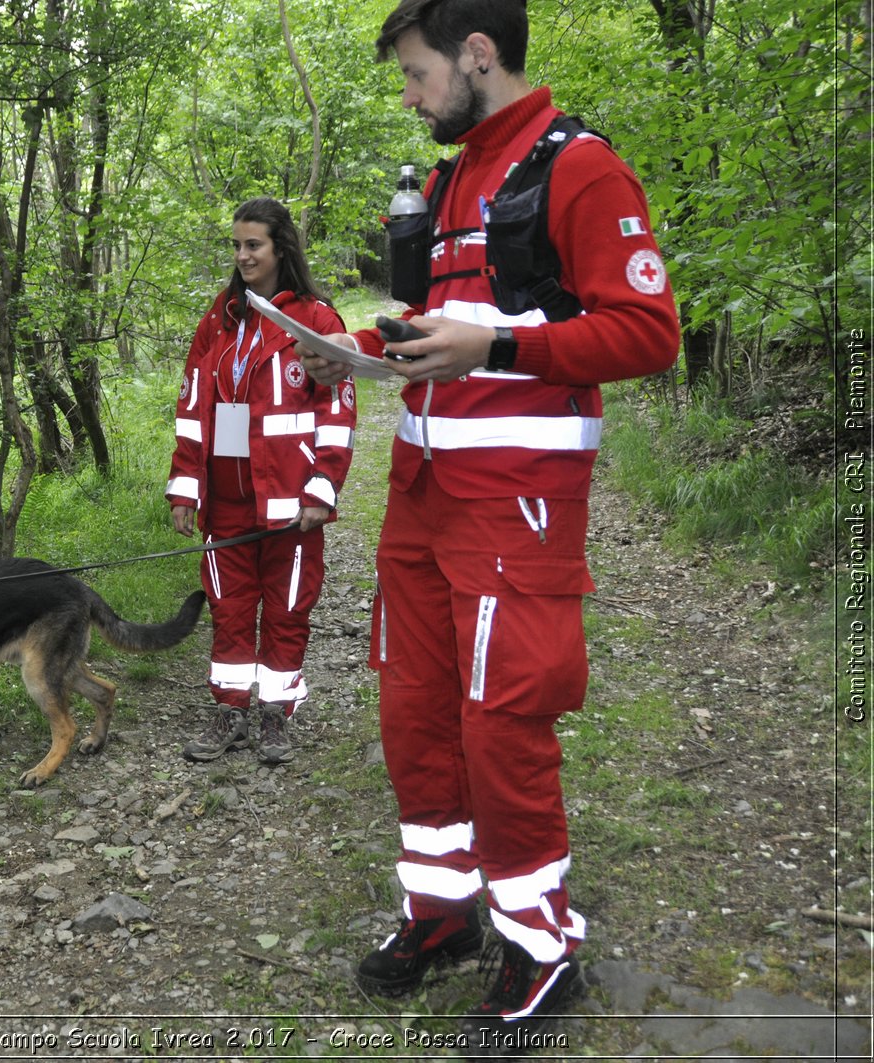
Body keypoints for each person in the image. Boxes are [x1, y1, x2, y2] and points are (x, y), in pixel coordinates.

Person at [297, 0, 681, 1050]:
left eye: (418, 75)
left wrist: (496, 351)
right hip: (420, 492)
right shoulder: (450, 173)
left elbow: (647, 331)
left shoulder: (579, 167)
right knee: (414, 711)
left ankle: (540, 945)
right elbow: (451, 329)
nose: (411, 97)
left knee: (500, 723)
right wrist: (368, 356)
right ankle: (443, 911)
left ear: (478, 55)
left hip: (515, 501)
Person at [165, 196, 357, 766]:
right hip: (226, 498)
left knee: (288, 605)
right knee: (228, 606)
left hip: (291, 499)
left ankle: (276, 713)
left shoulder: (318, 321)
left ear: (280, 249)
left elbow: (338, 413)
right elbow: (193, 407)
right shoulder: (218, 320)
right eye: (237, 245)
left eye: (254, 245)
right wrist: (185, 484)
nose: (243, 255)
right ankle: (230, 709)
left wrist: (322, 488)